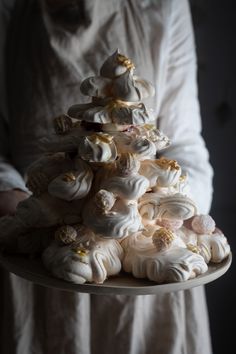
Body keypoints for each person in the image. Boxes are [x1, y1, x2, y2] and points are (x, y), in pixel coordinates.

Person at [0, 0, 214, 353]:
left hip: (147, 259)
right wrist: (14, 197)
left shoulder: (164, 6)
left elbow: (185, 143)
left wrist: (177, 212)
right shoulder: (10, 9)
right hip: (36, 254)